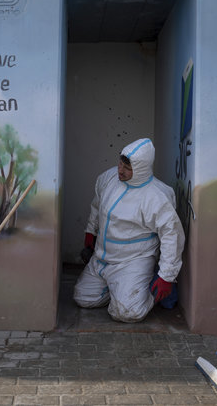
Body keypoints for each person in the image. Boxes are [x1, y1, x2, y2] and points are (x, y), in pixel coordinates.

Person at [73, 138, 185, 323]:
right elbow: (96, 206)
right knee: (83, 298)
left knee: (128, 313)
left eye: (127, 167)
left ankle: (142, 288)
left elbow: (171, 236)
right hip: (102, 258)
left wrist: (167, 276)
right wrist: (90, 232)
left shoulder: (156, 196)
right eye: (120, 163)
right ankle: (122, 290)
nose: (120, 170)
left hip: (133, 261)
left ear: (141, 168)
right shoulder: (108, 179)